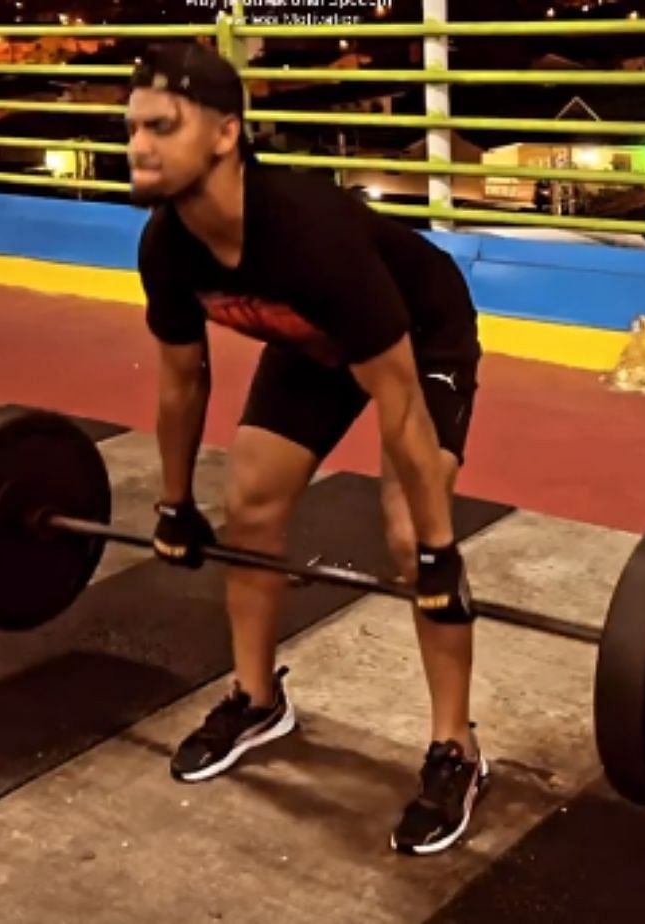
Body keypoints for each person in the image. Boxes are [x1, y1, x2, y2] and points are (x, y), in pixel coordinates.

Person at [126, 42, 488, 855]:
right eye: (132, 128)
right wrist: (174, 503)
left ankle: (455, 750)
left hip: (418, 334)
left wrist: (434, 550)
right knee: (250, 504)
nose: (139, 146)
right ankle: (257, 699)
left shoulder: (308, 236)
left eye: (160, 127)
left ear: (225, 134)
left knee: (409, 534)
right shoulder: (167, 247)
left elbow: (396, 397)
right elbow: (183, 382)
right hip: (312, 345)